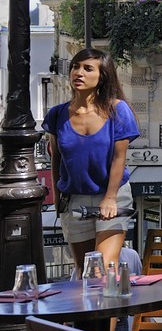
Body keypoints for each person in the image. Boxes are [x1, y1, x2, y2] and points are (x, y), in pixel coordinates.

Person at [44, 49, 139, 272]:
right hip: (74, 199)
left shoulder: (117, 110)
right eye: (76, 67)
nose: (79, 73)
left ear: (102, 76)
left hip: (112, 195)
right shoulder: (57, 115)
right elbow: (56, 159)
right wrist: (57, 198)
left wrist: (110, 197)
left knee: (100, 269)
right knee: (84, 272)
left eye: (88, 68)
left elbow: (119, 159)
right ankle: (106, 307)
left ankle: (116, 305)